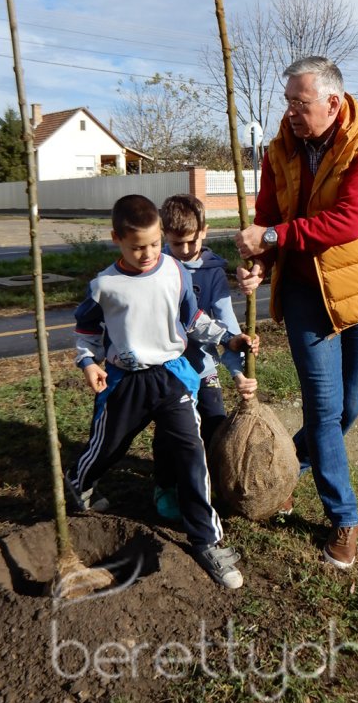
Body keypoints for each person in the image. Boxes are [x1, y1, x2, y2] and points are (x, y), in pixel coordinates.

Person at [235, 56, 358, 570]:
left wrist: (271, 238)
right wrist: (259, 261)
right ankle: (344, 520)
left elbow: (348, 221)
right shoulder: (279, 149)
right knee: (324, 410)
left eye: (299, 103)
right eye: (286, 101)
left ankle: (287, 469)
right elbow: (268, 213)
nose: (290, 112)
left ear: (333, 102)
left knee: (348, 407)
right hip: (308, 292)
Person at [66, 193, 255, 589]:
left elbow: (193, 318)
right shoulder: (105, 285)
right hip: (126, 380)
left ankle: (207, 539)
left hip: (171, 377)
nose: (149, 253)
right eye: (138, 247)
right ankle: (78, 483)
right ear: (116, 238)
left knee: (191, 452)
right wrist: (89, 363)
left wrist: (229, 339)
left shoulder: (174, 270)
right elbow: (86, 332)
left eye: (154, 243)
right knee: (108, 447)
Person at [152, 194, 258, 521]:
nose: (183, 250)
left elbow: (226, 325)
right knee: (169, 432)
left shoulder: (213, 272)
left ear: (205, 232)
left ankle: (209, 485)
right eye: (175, 243)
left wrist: (240, 374)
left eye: (190, 241)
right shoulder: (159, 268)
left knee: (213, 424)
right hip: (168, 369)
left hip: (204, 369)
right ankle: (166, 485)